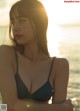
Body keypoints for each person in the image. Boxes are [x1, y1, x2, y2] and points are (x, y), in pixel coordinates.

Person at [0, 0, 73, 111]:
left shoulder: (59, 65)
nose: (15, 28)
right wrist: (61, 108)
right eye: (13, 21)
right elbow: (9, 106)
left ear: (39, 22)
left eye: (21, 21)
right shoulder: (6, 54)